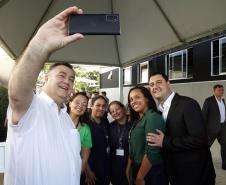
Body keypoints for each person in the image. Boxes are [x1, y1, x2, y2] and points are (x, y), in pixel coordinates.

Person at [6, 6, 84, 185]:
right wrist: (40, 46)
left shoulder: (66, 118)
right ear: (45, 78)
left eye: (71, 79)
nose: (67, 81)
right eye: (62, 75)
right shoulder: (31, 106)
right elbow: (17, 94)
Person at [147, 72, 216, 185]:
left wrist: (165, 141)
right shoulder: (157, 111)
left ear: (168, 84)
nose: (155, 86)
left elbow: (200, 139)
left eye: (159, 82)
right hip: (175, 173)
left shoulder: (188, 104)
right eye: (151, 84)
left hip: (196, 174)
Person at [126, 86, 167, 185]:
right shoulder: (138, 120)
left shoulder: (153, 117)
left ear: (147, 99)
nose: (133, 101)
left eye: (137, 97)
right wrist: (128, 170)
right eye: (131, 99)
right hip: (137, 168)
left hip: (150, 171)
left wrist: (140, 177)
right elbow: (134, 147)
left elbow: (152, 151)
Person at [85, 95, 110, 185]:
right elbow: (79, 150)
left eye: (104, 106)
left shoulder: (105, 121)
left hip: (105, 167)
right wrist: (87, 171)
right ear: (91, 106)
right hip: (91, 168)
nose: (101, 108)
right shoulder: (85, 124)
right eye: (98, 105)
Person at [202, 84, 226, 170]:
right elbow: (203, 115)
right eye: (219, 90)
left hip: (223, 127)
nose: (221, 91)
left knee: (225, 145)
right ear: (214, 91)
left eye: (222, 90)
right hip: (211, 129)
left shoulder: (223, 101)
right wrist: (203, 129)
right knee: (205, 147)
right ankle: (201, 164)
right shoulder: (209, 100)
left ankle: (225, 165)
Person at [108, 101, 132, 185]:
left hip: (130, 165)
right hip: (115, 166)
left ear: (123, 108)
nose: (115, 112)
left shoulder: (134, 124)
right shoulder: (111, 126)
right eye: (112, 111)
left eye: (117, 109)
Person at [68, 92, 92, 173]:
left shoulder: (85, 129)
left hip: (74, 169)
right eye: (77, 102)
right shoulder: (59, 121)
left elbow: (84, 157)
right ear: (70, 103)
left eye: (84, 104)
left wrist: (80, 171)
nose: (80, 106)